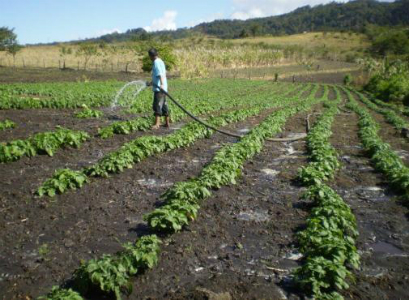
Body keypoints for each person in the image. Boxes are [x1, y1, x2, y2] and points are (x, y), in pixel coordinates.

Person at [148, 48, 170, 129]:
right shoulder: (160, 61)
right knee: (163, 105)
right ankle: (167, 123)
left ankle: (157, 124)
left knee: (157, 105)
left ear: (151, 56)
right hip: (163, 87)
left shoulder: (156, 62)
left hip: (159, 89)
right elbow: (160, 74)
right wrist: (152, 82)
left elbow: (160, 74)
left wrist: (161, 84)